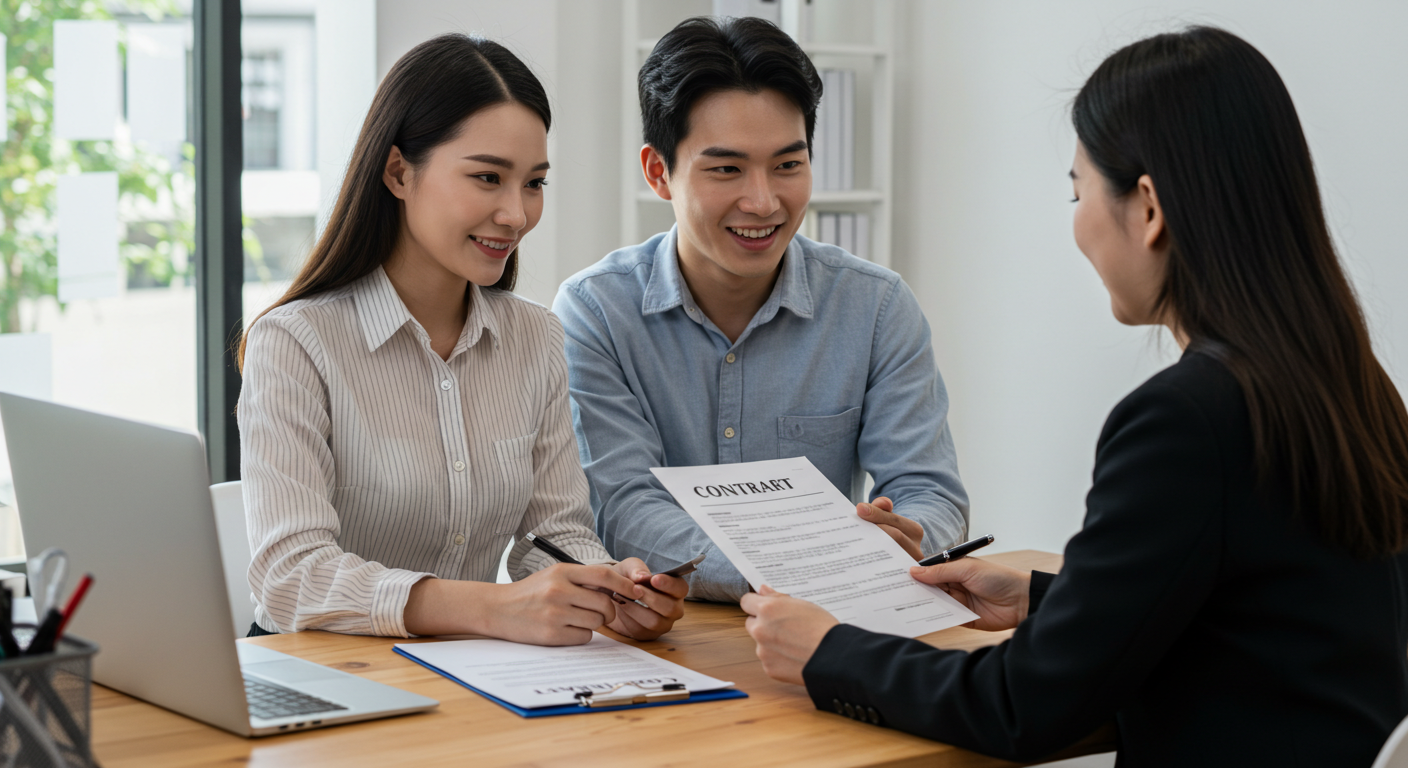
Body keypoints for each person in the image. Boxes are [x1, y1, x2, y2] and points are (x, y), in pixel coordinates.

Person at [740, 26, 1408, 766]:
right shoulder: (1353, 387)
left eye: (1077, 189)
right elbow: (1260, 609)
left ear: (1147, 208)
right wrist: (1044, 594)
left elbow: (1023, 705)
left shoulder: (1185, 420)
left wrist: (828, 652)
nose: (1079, 223)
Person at [236, 34, 686, 644]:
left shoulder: (534, 337)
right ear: (398, 171)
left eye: (533, 183)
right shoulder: (294, 342)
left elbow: (552, 534)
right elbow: (290, 578)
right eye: (487, 178)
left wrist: (604, 588)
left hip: (471, 678)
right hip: (326, 678)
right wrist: (491, 608)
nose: (516, 214)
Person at [552, 17, 969, 603]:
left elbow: (928, 488)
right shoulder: (596, 312)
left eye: (788, 165)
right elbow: (622, 509)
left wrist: (912, 536)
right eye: (726, 169)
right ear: (658, 173)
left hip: (834, 629)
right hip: (672, 634)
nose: (763, 201)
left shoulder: (875, 306)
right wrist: (788, 569)